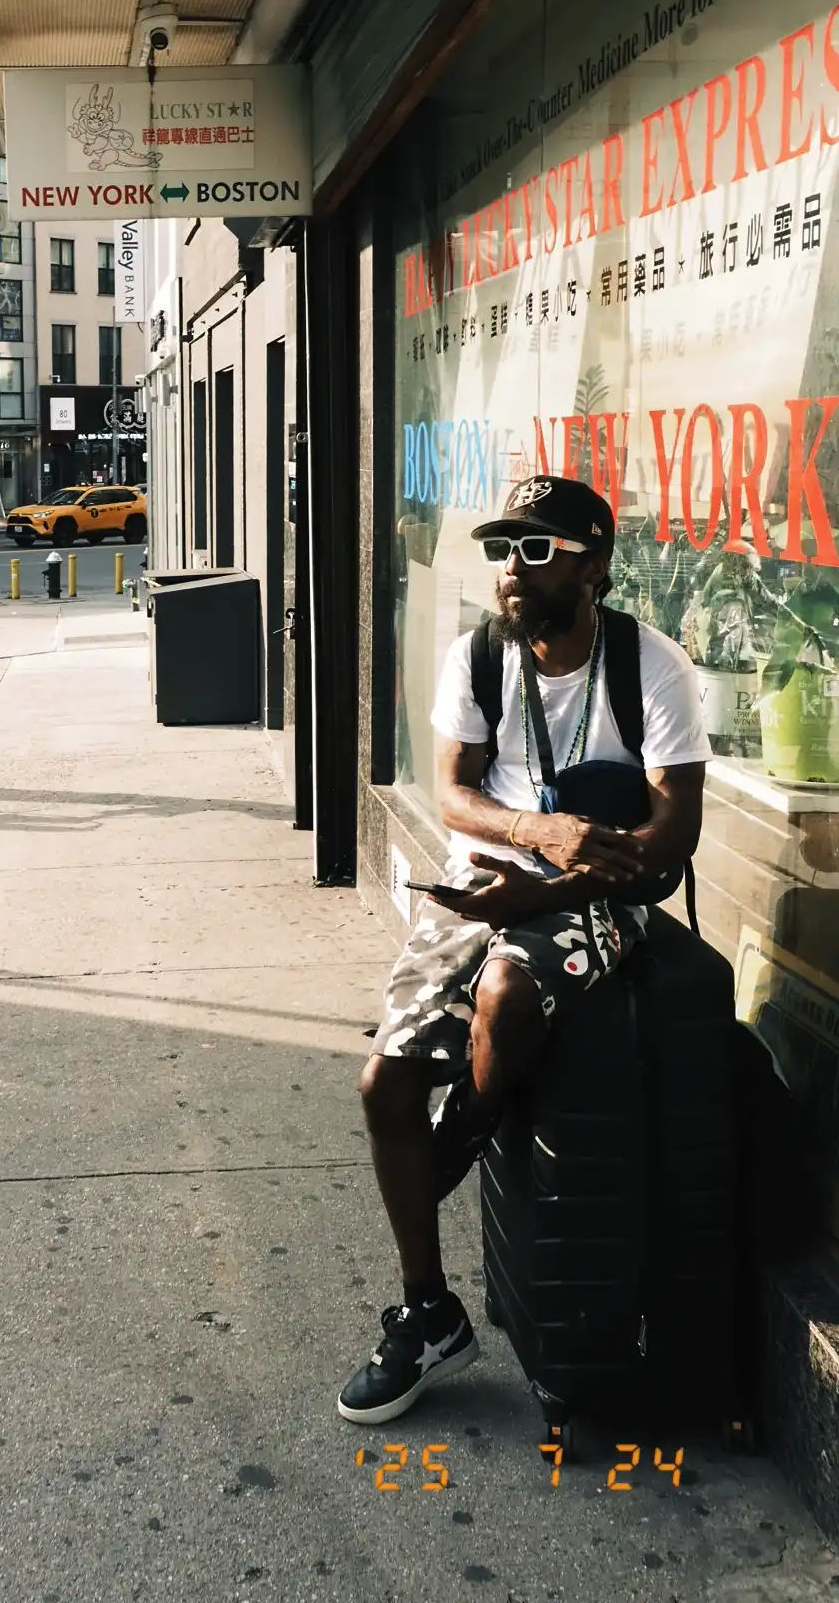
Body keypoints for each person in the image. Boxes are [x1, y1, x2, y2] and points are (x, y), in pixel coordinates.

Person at [337, 476, 709, 1427]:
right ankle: (429, 1314)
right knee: (383, 1083)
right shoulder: (478, 657)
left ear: (594, 566)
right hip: (484, 879)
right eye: (503, 548)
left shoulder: (651, 667)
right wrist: (535, 833)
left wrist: (551, 886)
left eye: (536, 550)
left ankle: (462, 1129)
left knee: (506, 996)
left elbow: (672, 835)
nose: (511, 568)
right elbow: (452, 794)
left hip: (598, 895)